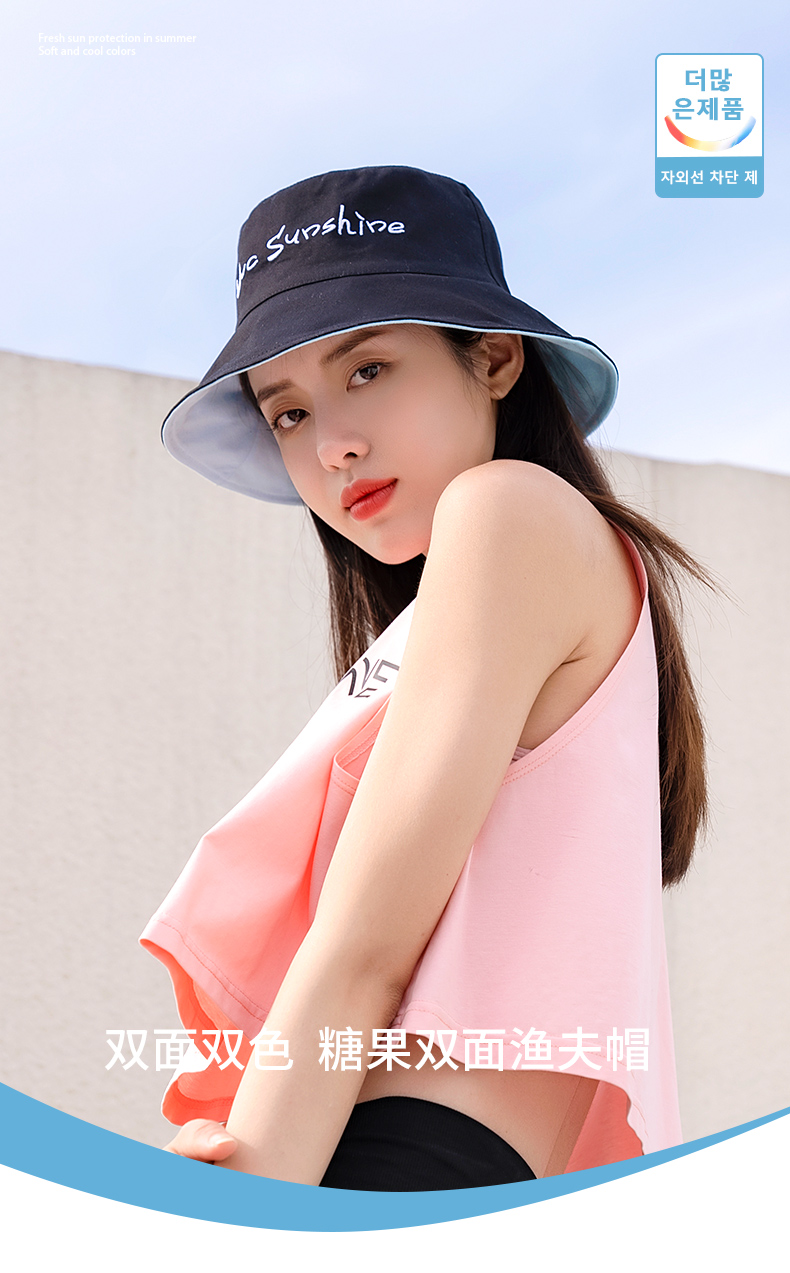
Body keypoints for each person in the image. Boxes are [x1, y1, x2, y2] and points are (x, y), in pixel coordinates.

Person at [140, 165, 712, 1191]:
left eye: (367, 369)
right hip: (389, 1161)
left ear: (493, 358)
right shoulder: (464, 602)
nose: (334, 444)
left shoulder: (508, 513)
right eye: (287, 414)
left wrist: (247, 1205)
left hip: (402, 1160)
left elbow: (365, 953)